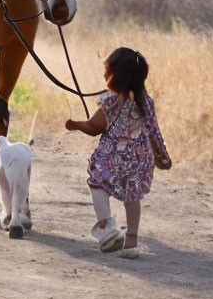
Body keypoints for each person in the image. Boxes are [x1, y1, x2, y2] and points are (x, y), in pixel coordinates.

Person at [65, 47, 172, 258]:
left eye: (108, 71)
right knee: (132, 196)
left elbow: (94, 127)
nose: (104, 75)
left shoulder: (112, 101)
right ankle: (131, 241)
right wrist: (162, 155)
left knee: (97, 185)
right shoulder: (146, 101)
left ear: (119, 75)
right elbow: (154, 131)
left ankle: (108, 230)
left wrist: (76, 125)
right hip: (138, 159)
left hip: (111, 158)